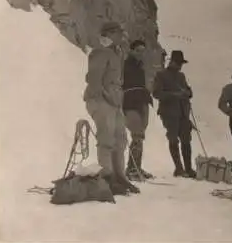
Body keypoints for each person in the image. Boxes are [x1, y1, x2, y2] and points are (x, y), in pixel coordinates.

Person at [83, 21, 140, 194]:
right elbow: (93, 80)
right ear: (110, 34)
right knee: (106, 139)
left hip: (114, 102)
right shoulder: (100, 52)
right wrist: (105, 97)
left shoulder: (116, 53)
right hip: (100, 100)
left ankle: (119, 177)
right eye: (118, 33)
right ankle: (107, 179)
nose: (122, 36)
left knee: (120, 139)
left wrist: (115, 101)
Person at [152, 50, 197, 178]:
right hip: (168, 113)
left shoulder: (181, 76)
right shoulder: (161, 75)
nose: (179, 66)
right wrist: (175, 95)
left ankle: (188, 168)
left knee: (186, 139)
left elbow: (188, 92)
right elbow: (156, 93)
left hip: (183, 112)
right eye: (178, 63)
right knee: (173, 139)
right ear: (171, 62)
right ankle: (178, 168)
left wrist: (187, 92)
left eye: (181, 63)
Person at [122, 39, 155, 181]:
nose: (140, 54)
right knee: (137, 134)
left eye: (143, 51)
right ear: (131, 50)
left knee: (140, 135)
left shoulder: (141, 67)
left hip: (142, 102)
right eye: (138, 51)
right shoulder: (125, 65)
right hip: (129, 103)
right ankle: (132, 169)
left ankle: (135, 167)